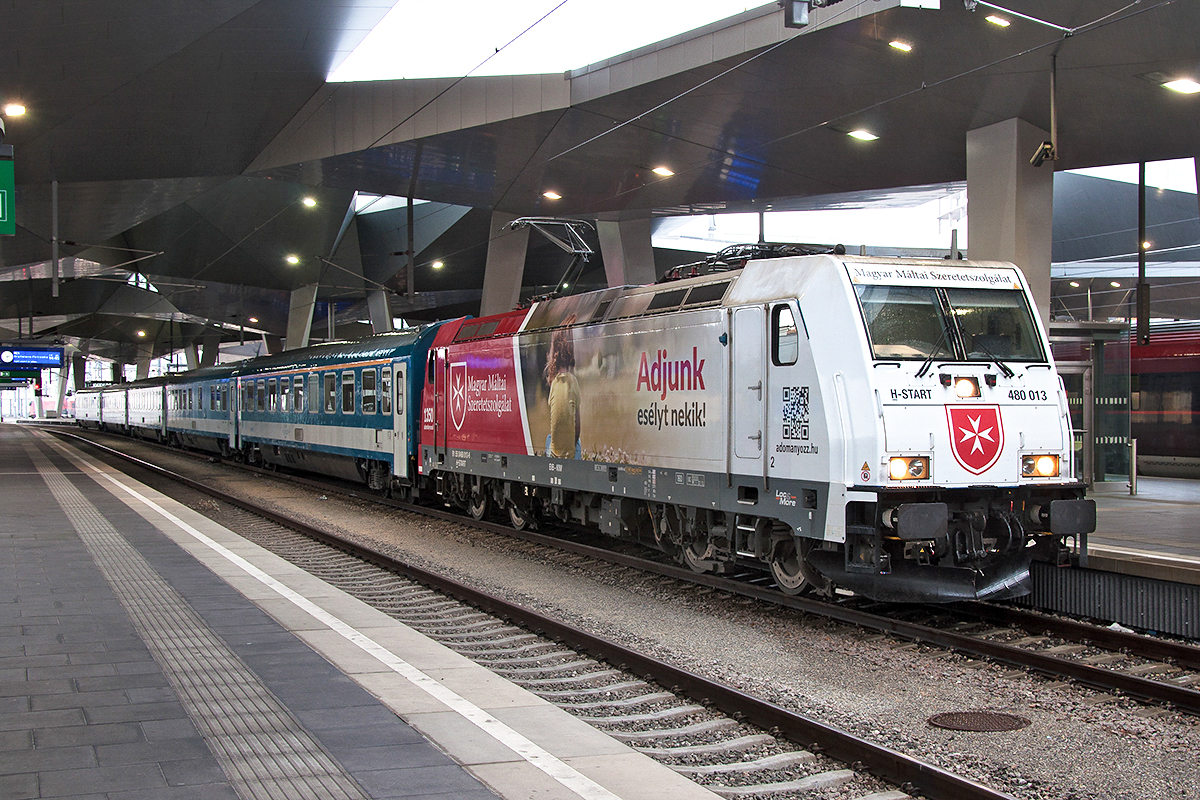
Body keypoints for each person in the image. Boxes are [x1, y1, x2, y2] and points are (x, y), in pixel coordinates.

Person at [543, 317, 581, 458]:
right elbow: (577, 427)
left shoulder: (554, 384)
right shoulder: (573, 381)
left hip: (553, 453)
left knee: (549, 438)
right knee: (578, 442)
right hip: (569, 454)